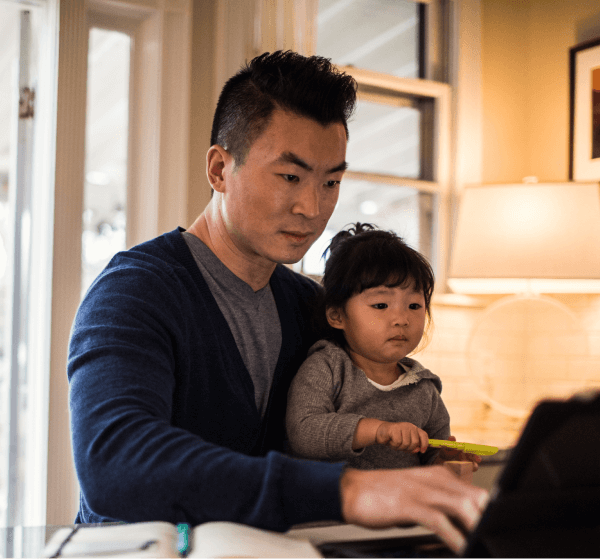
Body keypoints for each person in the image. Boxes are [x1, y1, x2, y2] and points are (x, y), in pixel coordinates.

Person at [68, 50, 487, 554]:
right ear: (220, 168)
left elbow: (362, 418)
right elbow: (115, 464)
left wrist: (430, 464)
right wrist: (346, 491)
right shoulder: (135, 291)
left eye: (331, 182)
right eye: (290, 177)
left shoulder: (310, 306)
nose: (312, 208)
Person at [287, 223, 482, 473]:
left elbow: (430, 457)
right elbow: (304, 433)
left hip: (403, 507)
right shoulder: (328, 367)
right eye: (381, 306)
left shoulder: (423, 387)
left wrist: (444, 461)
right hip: (334, 506)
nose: (401, 319)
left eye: (414, 306)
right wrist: (378, 430)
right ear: (337, 316)